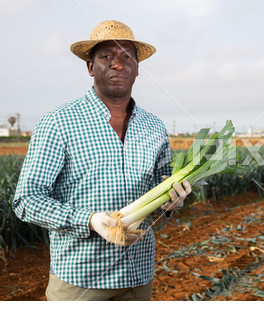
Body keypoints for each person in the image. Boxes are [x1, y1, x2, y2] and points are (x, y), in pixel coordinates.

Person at [13, 20, 191, 301]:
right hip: (80, 280)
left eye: (126, 57)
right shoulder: (59, 121)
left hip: (138, 276)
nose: (118, 64)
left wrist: (173, 200)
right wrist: (91, 221)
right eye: (106, 56)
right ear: (90, 67)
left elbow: (163, 187)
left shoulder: (154, 126)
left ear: (137, 69)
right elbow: (26, 200)